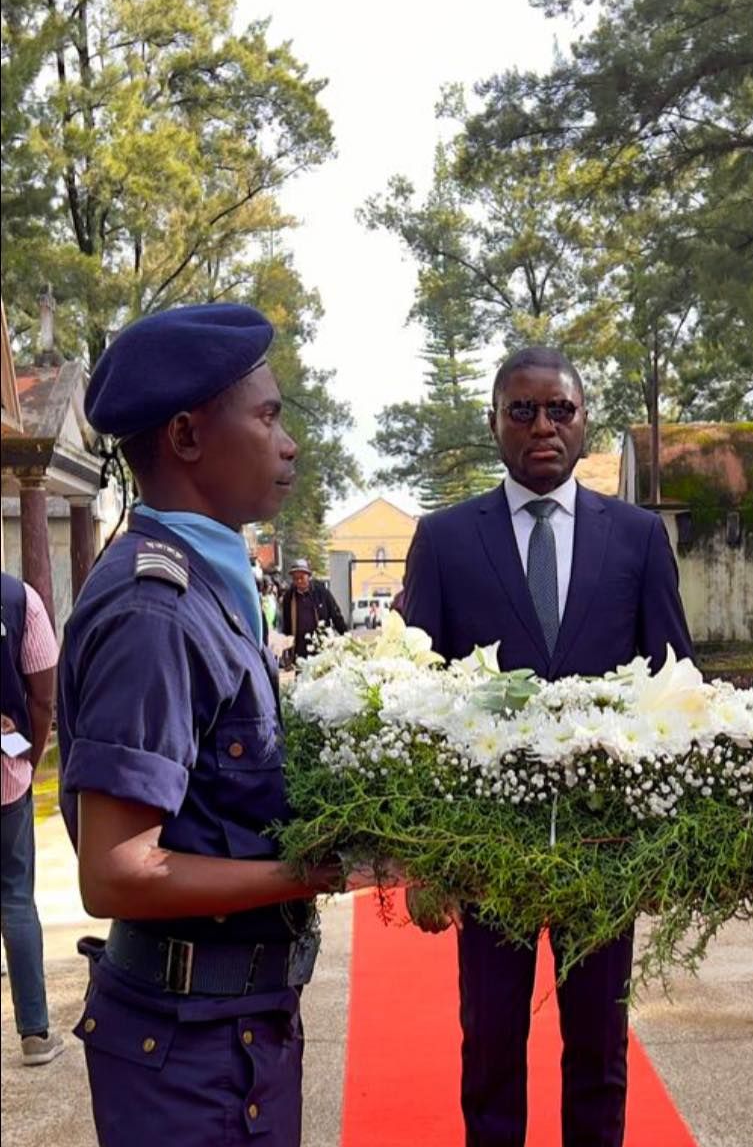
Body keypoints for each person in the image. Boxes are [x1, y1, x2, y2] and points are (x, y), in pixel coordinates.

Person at [57, 304, 353, 1147]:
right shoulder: (157, 611)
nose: (288, 444)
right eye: (268, 417)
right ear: (187, 436)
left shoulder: (207, 587)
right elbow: (116, 874)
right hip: (189, 1057)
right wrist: (318, 872)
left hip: (233, 1033)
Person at [400, 345, 694, 1147]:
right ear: (493, 421)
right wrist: (428, 852)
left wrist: (665, 842)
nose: (542, 427)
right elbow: (412, 697)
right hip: (487, 848)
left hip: (605, 847)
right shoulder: (444, 539)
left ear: (584, 421)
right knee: (491, 1046)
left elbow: (676, 686)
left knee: (598, 1050)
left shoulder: (636, 537)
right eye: (522, 410)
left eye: (559, 410)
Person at [1, 573, 63, 1066]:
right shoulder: (19, 598)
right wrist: (29, 756)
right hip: (5, 775)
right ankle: (35, 1033)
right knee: (16, 900)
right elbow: (43, 696)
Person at [280, 559, 346, 661]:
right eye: (295, 578)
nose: (299, 581)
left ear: (308, 576)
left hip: (322, 646)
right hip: (300, 649)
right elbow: (286, 624)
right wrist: (286, 649)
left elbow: (335, 615)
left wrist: (345, 636)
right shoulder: (289, 597)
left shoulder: (321, 592)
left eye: (302, 578)